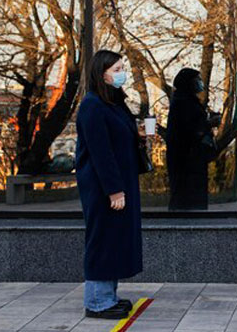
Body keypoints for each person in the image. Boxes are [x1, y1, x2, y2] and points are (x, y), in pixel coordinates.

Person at [75, 50, 143, 320]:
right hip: (103, 188)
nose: (122, 74)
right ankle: (97, 302)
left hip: (119, 184)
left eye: (122, 68)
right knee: (103, 240)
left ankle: (108, 296)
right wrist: (114, 190)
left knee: (114, 240)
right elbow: (100, 152)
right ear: (101, 73)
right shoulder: (92, 105)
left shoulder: (113, 103)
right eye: (116, 69)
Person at [163, 68, 235, 211]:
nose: (200, 83)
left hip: (190, 158)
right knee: (187, 197)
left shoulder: (186, 101)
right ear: (188, 83)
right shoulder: (183, 103)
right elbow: (188, 130)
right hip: (187, 159)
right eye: (197, 80)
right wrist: (208, 124)